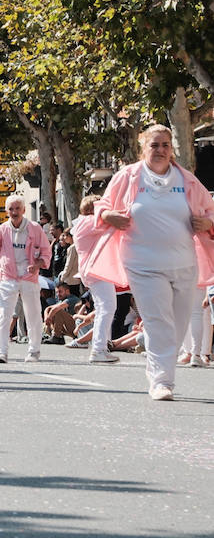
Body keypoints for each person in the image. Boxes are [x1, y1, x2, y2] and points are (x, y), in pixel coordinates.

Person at [82, 124, 214, 401]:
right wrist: (108, 217)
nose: (160, 150)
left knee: (178, 325)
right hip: (142, 262)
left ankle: (159, 369)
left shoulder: (186, 179)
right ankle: (162, 381)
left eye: (165, 145)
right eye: (154, 145)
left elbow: (210, 211)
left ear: (172, 149)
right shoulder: (128, 176)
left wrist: (208, 222)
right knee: (157, 321)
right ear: (144, 148)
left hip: (184, 263)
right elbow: (103, 206)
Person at [0, 194, 49, 364]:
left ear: (24, 210)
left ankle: (34, 350)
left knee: (33, 314)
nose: (14, 212)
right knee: (5, 315)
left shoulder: (35, 228)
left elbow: (45, 252)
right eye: (11, 209)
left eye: (17, 209)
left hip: (29, 278)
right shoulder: (2, 230)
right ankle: (1, 352)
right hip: (8, 277)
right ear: (7, 211)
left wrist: (37, 265)